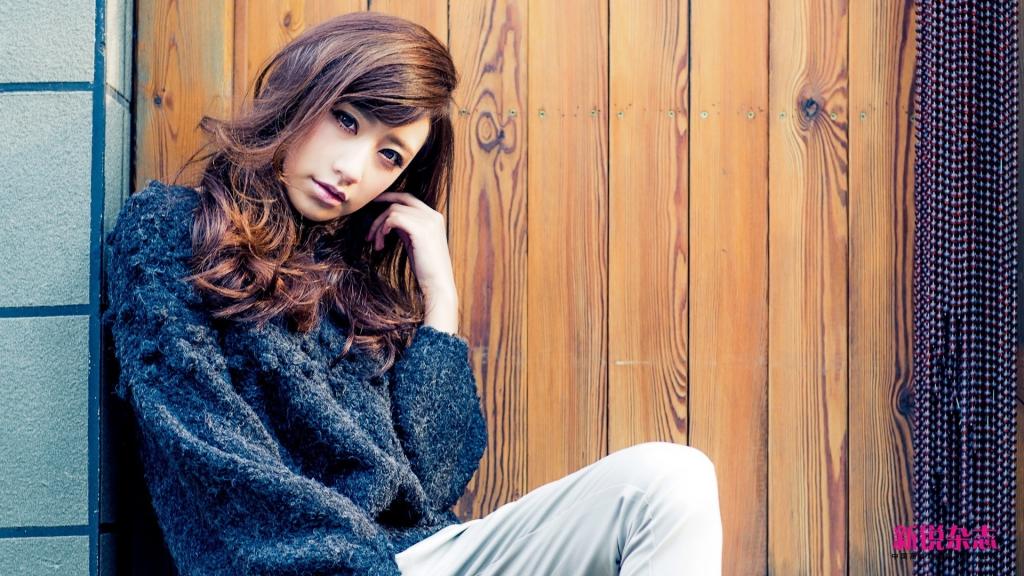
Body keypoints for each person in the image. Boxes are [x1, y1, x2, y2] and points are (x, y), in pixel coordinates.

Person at [102, 11, 723, 576]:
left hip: (421, 558)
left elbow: (434, 484)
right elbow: (207, 453)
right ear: (301, 93)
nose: (352, 170)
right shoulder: (172, 230)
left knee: (668, 481)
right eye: (347, 120)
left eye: (389, 156)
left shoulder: (358, 298)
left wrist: (440, 302)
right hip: (307, 567)